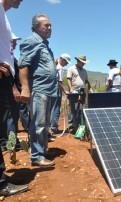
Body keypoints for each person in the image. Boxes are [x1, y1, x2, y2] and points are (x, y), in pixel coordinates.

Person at [19, 14, 57, 167]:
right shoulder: (31, 41)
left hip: (47, 89)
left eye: (50, 26)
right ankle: (36, 156)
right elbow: (23, 65)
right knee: (38, 124)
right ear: (36, 27)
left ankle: (43, 150)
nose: (49, 28)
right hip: (38, 89)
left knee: (45, 123)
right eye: (46, 25)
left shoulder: (44, 44)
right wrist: (25, 88)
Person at [0, 0, 28, 196]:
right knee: (10, 125)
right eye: (13, 40)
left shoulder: (12, 58)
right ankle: (11, 149)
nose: (14, 42)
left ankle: (12, 149)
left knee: (12, 122)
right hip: (11, 92)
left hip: (12, 95)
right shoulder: (14, 60)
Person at [67, 55, 92, 132]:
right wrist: (71, 88)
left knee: (81, 108)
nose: (83, 64)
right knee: (73, 108)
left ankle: (79, 124)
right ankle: (71, 125)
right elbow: (68, 79)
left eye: (84, 63)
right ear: (78, 61)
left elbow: (86, 81)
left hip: (82, 91)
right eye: (82, 62)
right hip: (74, 91)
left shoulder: (84, 71)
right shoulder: (71, 69)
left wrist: (90, 89)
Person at [50, 53, 71, 135]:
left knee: (49, 108)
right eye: (66, 62)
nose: (66, 65)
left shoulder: (53, 65)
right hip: (56, 90)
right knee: (56, 108)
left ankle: (49, 127)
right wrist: (65, 91)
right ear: (62, 60)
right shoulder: (60, 68)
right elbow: (59, 82)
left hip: (49, 89)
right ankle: (53, 128)